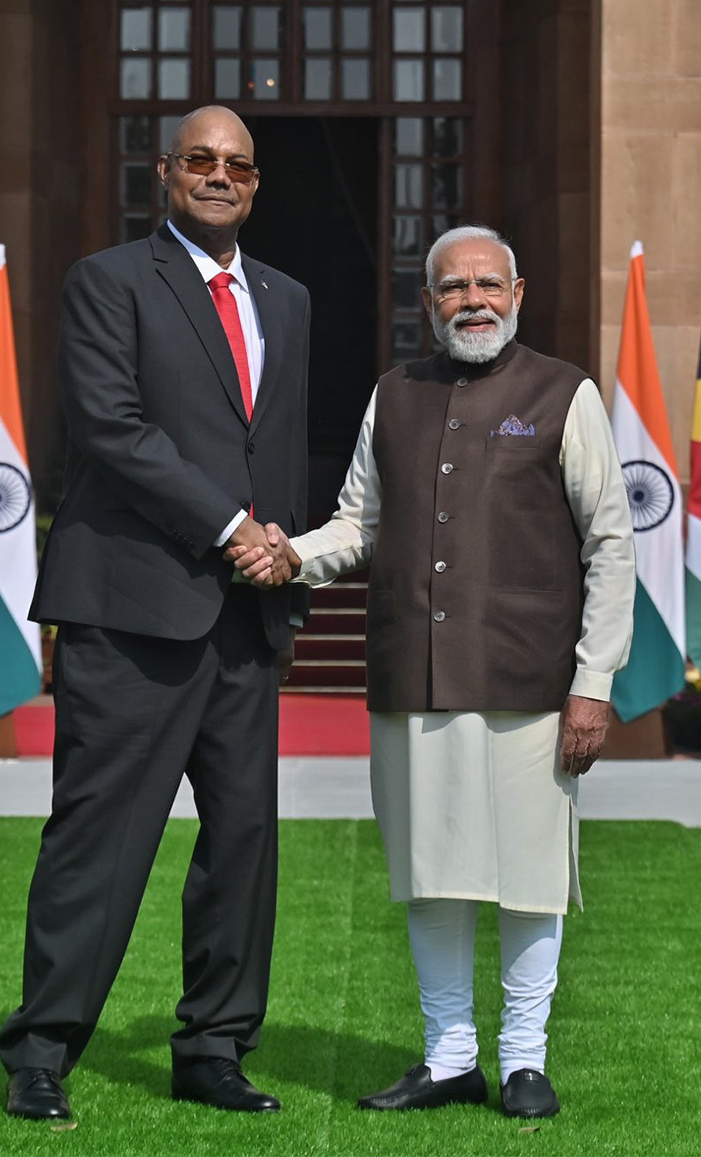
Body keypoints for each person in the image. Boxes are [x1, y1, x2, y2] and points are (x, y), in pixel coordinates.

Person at [234, 225, 635, 1119]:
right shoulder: (395, 395)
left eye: (488, 285)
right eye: (453, 288)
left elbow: (611, 545)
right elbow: (359, 523)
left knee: (530, 878)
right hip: (413, 680)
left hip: (534, 686)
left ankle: (524, 1057)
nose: (473, 301)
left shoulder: (565, 394)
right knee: (432, 874)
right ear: (428, 304)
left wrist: (593, 682)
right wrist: (290, 556)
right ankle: (449, 1055)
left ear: (519, 293)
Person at [0, 105, 310, 1122]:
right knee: (100, 837)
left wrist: (285, 556)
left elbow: (278, 450)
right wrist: (233, 529)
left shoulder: (287, 300)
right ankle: (41, 1051)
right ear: (165, 173)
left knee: (241, 844)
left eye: (238, 165)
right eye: (201, 162)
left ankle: (213, 1045)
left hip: (244, 619)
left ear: (255, 184)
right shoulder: (107, 281)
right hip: (131, 611)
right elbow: (111, 429)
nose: (219, 177)